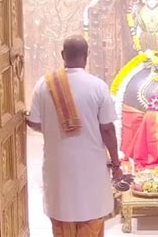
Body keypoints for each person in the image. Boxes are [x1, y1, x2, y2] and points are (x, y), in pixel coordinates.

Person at [26, 35, 122, 237]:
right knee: (91, 218)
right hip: (91, 172)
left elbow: (33, 122)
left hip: (58, 171)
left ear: (63, 55)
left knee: (62, 220)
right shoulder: (98, 86)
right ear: (87, 56)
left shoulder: (44, 84)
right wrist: (116, 163)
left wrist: (54, 128)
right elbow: (107, 130)